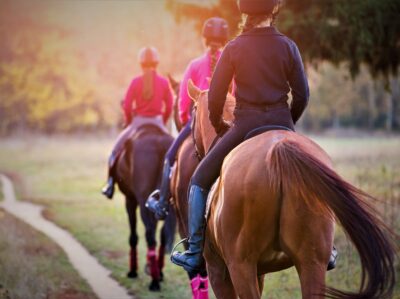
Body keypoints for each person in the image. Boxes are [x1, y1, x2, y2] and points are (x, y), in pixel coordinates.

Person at [171, 0, 338, 273]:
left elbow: (214, 97)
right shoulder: (288, 46)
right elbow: (303, 95)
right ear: (274, 10)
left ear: (244, 12)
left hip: (243, 127)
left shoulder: (234, 48)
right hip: (282, 123)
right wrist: (286, 123)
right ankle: (326, 247)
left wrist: (219, 125)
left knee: (199, 180)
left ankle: (194, 251)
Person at [145, 17, 229, 219]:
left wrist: (186, 121)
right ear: (224, 40)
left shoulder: (193, 65)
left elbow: (183, 102)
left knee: (168, 157)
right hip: (228, 124)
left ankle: (163, 201)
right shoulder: (231, 64)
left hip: (197, 122)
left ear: (204, 40)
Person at [102, 47, 173, 199]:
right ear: (157, 63)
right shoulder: (163, 82)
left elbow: (127, 106)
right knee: (175, 151)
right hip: (158, 122)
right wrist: (163, 121)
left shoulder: (135, 82)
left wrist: (129, 122)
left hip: (137, 122)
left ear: (141, 64)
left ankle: (109, 184)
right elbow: (170, 104)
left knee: (114, 152)